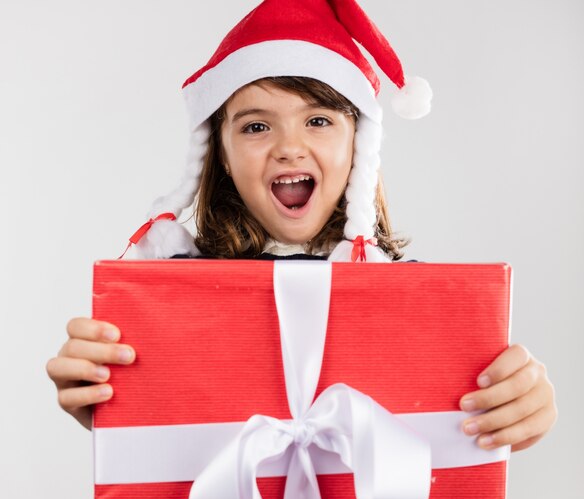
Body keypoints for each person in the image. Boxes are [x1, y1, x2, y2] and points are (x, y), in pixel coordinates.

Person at [46, 0, 556, 451]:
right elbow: (159, 438)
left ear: (358, 144)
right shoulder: (166, 299)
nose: (289, 146)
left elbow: (456, 430)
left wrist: (521, 406)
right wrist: (105, 392)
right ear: (220, 155)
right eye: (256, 126)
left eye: (318, 120)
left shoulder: (412, 301)